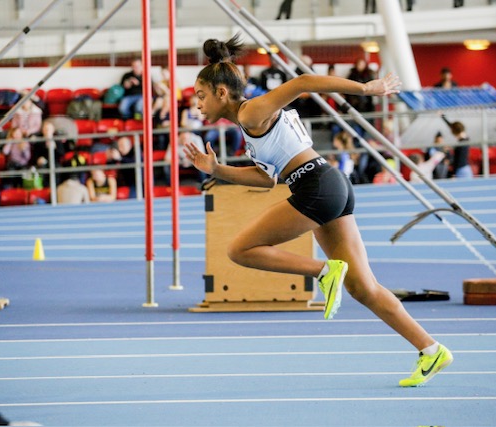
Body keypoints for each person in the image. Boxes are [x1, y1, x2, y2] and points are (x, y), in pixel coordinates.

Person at [183, 35, 453, 387]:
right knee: (362, 288)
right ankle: (430, 349)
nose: (197, 104)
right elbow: (267, 179)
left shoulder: (251, 111)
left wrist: (366, 88)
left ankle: (324, 271)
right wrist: (218, 170)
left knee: (240, 249)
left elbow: (303, 82)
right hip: (328, 183)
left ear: (221, 93)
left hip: (316, 185)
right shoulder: (249, 122)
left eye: (201, 95)